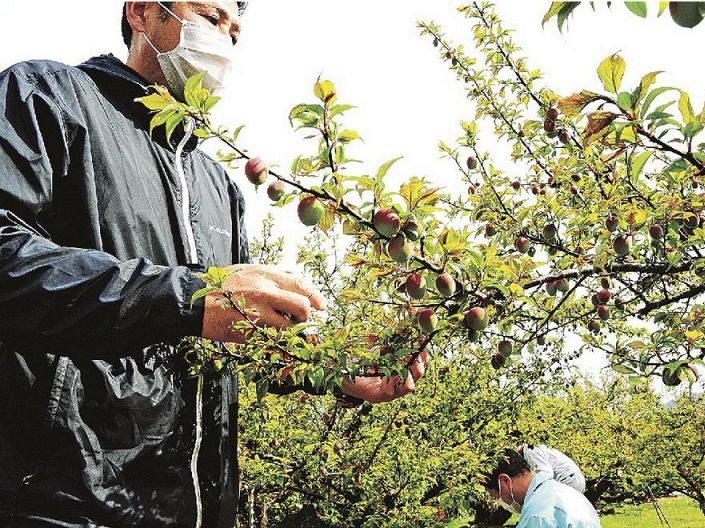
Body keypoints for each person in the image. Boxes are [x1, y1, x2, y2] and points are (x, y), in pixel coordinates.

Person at [0, 2, 426, 527]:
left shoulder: (219, 187)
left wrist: (332, 371)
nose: (223, 38)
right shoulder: (48, 97)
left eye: (234, 31)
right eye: (209, 16)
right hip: (65, 504)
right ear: (140, 12)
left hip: (197, 509)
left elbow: (231, 342)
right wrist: (191, 295)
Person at [485, 449, 601, 528]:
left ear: (505, 481)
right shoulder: (572, 495)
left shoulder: (537, 516)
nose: (499, 501)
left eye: (495, 495)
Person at [519, 443, 587, 494]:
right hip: (575, 479)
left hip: (568, 480)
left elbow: (545, 475)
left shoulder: (530, 452)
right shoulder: (537, 447)